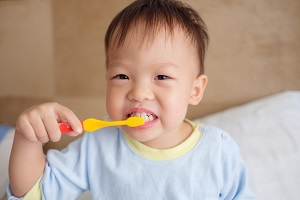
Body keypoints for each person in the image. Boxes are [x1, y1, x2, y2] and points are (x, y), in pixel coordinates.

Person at [8, 0, 256, 199]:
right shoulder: (98, 146)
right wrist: (27, 138)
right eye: (122, 75)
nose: (138, 92)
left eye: (161, 76)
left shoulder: (217, 151)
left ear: (194, 90)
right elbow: (36, 193)